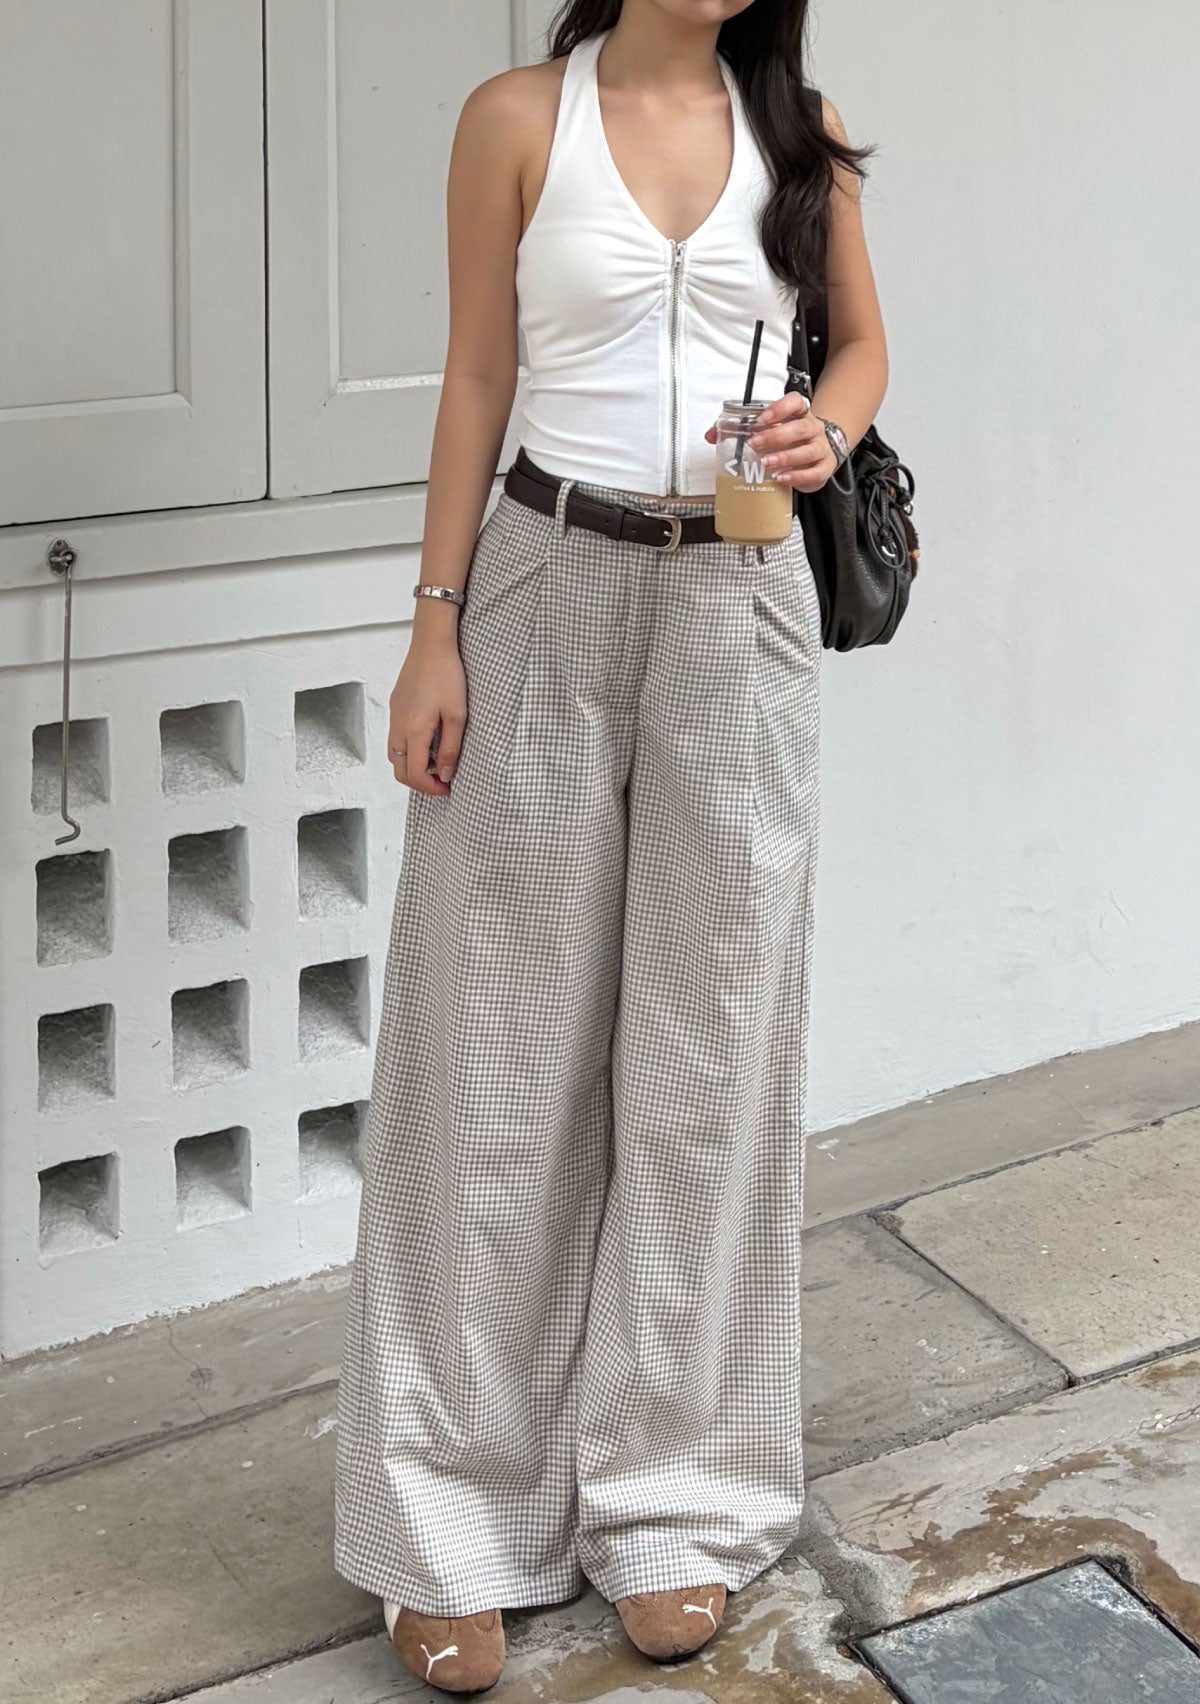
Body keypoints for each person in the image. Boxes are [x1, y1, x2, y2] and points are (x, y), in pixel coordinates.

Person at [333, 0, 887, 1690]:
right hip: (544, 576)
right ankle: (447, 1524)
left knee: (710, 1061)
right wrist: (434, 626)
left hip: (740, 597)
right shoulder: (518, 117)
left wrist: (826, 429)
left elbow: (862, 349)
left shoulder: (797, 126)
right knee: (491, 1061)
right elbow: (477, 375)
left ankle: (675, 1505)